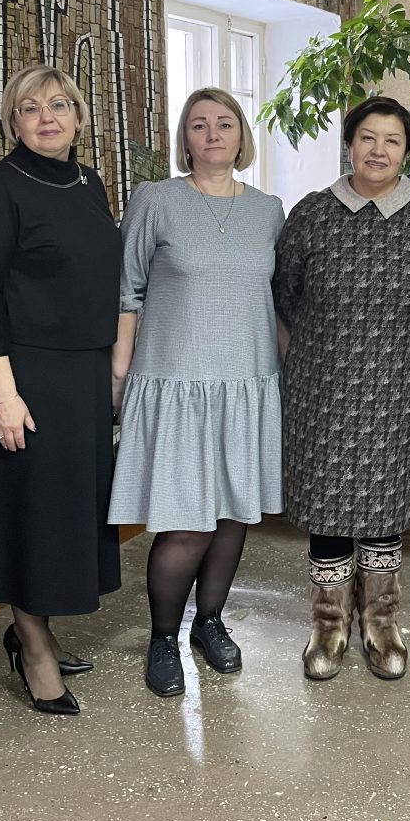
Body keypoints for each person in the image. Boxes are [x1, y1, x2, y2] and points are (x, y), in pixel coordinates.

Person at [0, 65, 121, 716]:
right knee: (29, 514)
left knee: (61, 514)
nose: (47, 117)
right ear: (12, 121)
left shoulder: (88, 183)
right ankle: (33, 647)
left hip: (81, 375)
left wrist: (111, 372)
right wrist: (2, 395)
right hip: (22, 376)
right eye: (30, 108)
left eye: (59, 105)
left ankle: (36, 627)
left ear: (78, 116)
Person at [108, 88, 285, 698]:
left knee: (233, 513)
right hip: (176, 381)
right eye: (199, 124)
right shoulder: (155, 200)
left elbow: (277, 301)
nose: (213, 134)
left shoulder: (269, 210)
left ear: (241, 136)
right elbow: (126, 291)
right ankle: (163, 637)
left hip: (248, 382)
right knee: (186, 520)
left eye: (225, 123)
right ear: (184, 137)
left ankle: (209, 621)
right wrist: (119, 374)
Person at [272, 96, 410, 682]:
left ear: (408, 152)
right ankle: (328, 625)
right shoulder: (313, 213)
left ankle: (381, 622)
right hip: (321, 389)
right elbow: (285, 295)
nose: (378, 150)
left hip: (401, 389)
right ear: (349, 145)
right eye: (367, 137)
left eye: (392, 140)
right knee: (328, 506)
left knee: (384, 506)